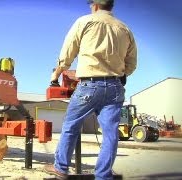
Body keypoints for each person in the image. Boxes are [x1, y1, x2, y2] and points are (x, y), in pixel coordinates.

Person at [44, 0, 137, 179]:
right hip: (115, 87)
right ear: (111, 6)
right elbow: (131, 63)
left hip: (89, 85)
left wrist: (56, 75)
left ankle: (61, 168)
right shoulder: (125, 29)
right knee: (110, 134)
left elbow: (66, 55)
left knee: (71, 126)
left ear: (94, 5)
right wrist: (122, 74)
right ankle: (103, 175)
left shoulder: (84, 22)